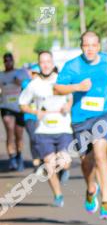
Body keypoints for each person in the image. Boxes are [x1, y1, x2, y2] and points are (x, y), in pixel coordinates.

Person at [55, 31, 107, 221]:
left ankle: (106, 202)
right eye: (86, 45)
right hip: (80, 119)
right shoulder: (73, 66)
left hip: (103, 115)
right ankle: (91, 188)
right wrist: (77, 87)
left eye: (93, 45)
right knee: (86, 161)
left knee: (101, 154)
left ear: (99, 46)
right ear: (81, 46)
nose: (90, 49)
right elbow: (57, 88)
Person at [18, 50, 72, 206]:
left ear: (53, 63)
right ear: (39, 65)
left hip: (63, 127)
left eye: (48, 61)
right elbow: (22, 104)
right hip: (44, 130)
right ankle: (58, 196)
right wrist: (35, 112)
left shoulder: (62, 80)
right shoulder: (33, 85)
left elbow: (70, 98)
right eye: (42, 62)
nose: (46, 65)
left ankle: (65, 170)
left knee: (64, 161)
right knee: (49, 165)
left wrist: (67, 106)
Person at [0, 52, 30, 171]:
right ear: (3, 62)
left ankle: (19, 155)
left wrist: (20, 83)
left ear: (13, 61)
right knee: (9, 130)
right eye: (6, 61)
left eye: (10, 60)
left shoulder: (21, 73)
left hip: (19, 107)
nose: (8, 63)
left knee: (19, 135)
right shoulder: (1, 75)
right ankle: (12, 158)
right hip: (6, 106)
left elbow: (29, 87)